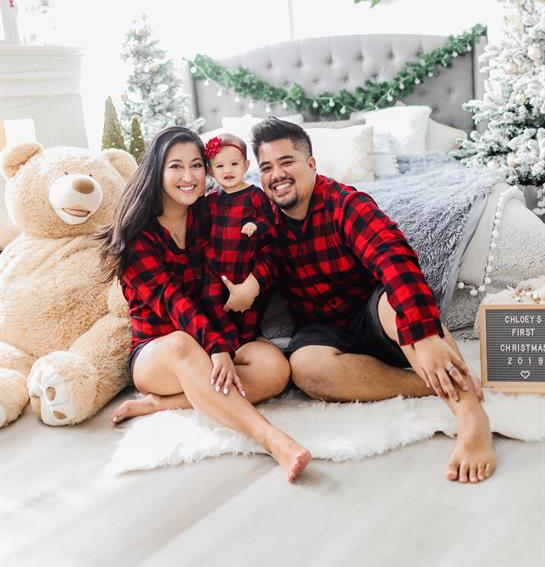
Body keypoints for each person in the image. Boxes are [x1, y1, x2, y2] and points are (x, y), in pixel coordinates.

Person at [250, 117, 495, 485]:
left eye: (287, 162)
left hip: (373, 313)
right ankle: (427, 384)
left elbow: (395, 261)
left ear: (311, 164)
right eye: (267, 167)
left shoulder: (346, 204)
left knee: (400, 307)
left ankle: (471, 417)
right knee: (304, 367)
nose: (277, 175)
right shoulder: (262, 222)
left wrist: (426, 337)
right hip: (322, 329)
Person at [98, 126, 310, 483]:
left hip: (217, 336)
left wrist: (253, 285)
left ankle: (164, 404)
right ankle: (271, 439)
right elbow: (173, 301)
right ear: (157, 171)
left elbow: (264, 250)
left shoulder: (209, 212)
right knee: (181, 344)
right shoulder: (139, 235)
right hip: (159, 351)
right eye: (176, 166)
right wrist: (215, 348)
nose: (189, 176)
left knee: (275, 367)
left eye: (196, 165)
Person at [203, 131, 276, 344]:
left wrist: (257, 225)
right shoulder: (210, 200)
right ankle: (228, 337)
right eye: (220, 166)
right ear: (210, 171)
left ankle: (247, 339)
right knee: (210, 298)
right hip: (216, 268)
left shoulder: (255, 195)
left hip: (245, 266)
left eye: (234, 164)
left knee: (249, 310)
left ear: (246, 166)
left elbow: (269, 219)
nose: (227, 171)